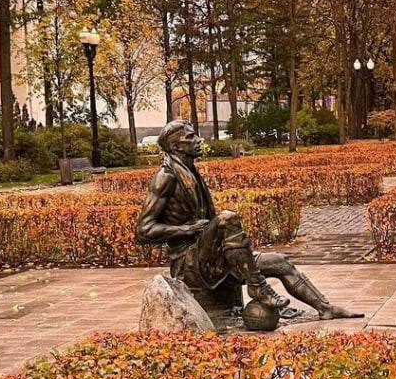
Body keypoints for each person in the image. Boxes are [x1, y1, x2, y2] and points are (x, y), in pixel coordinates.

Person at [136, 119, 362, 325]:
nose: (198, 140)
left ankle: (325, 308)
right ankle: (258, 286)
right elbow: (144, 231)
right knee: (227, 218)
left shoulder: (190, 171)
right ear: (176, 147)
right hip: (190, 262)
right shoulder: (165, 177)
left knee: (280, 261)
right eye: (191, 137)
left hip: (213, 255)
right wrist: (187, 229)